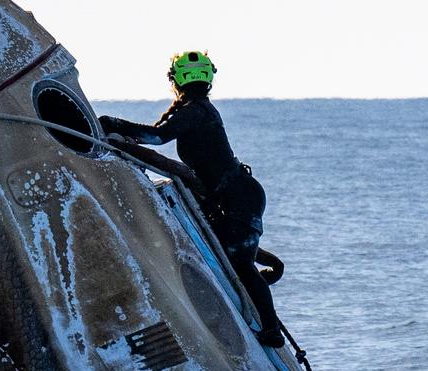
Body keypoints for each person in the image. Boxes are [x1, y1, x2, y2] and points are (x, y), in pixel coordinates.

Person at [99, 52, 287, 348]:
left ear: (175, 80)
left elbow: (158, 137)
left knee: (241, 264)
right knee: (238, 258)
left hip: (241, 197)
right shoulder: (196, 110)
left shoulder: (195, 111)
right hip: (238, 197)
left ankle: (272, 330)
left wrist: (113, 123)